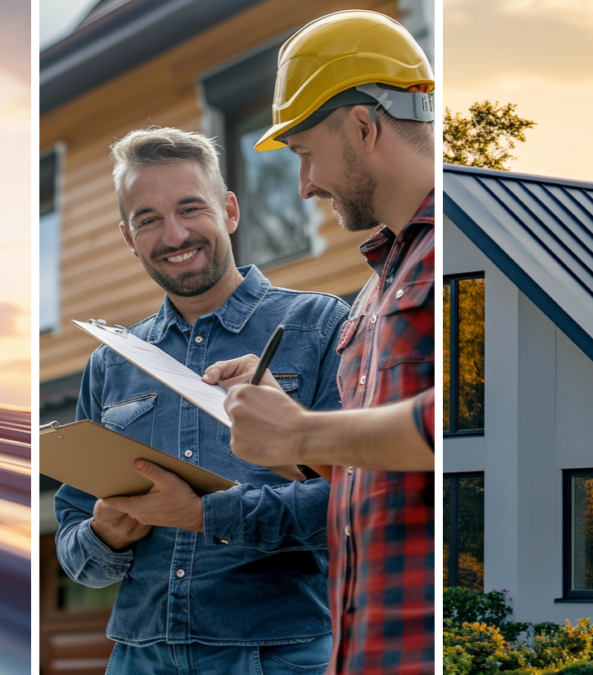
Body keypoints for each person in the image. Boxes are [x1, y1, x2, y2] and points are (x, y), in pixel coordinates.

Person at [54, 126, 350, 674]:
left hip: (273, 653)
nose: (174, 234)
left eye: (191, 209)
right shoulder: (111, 361)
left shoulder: (318, 326)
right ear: (127, 237)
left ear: (230, 210)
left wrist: (204, 514)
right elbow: (74, 541)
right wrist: (102, 538)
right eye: (148, 220)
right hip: (138, 655)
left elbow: (350, 501)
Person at [202, 11, 436, 675]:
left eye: (305, 153)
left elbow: (473, 420)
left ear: (365, 125)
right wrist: (289, 430)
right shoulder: (370, 295)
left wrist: (303, 433)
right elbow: (378, 470)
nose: (303, 184)